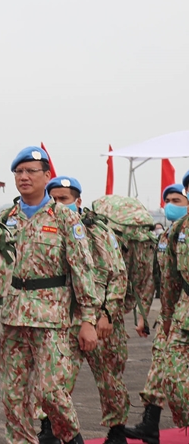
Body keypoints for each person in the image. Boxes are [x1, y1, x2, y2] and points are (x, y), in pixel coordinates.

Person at [0, 147, 100, 444]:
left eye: (31, 171)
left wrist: (88, 319)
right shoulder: (6, 218)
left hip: (51, 320)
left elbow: (83, 270)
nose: (24, 177)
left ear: (46, 176)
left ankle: (71, 439)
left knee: (51, 393)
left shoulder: (64, 218)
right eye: (19, 172)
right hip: (14, 319)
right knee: (13, 396)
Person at [34, 176, 128, 444]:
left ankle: (117, 431)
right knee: (55, 381)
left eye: (64, 199)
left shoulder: (99, 231)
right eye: (53, 199)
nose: (58, 204)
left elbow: (118, 275)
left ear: (78, 201)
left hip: (100, 319)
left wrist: (107, 314)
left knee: (109, 380)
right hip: (64, 319)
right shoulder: (46, 229)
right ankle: (50, 428)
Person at [125, 183, 189, 443]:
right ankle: (151, 423)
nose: (171, 204)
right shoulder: (169, 236)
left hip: (177, 311)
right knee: (165, 370)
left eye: (177, 199)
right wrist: (155, 315)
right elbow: (161, 278)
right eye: (169, 200)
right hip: (176, 312)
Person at [159, 173, 189, 430]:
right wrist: (167, 316)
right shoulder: (180, 229)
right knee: (173, 380)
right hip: (184, 315)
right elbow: (170, 278)